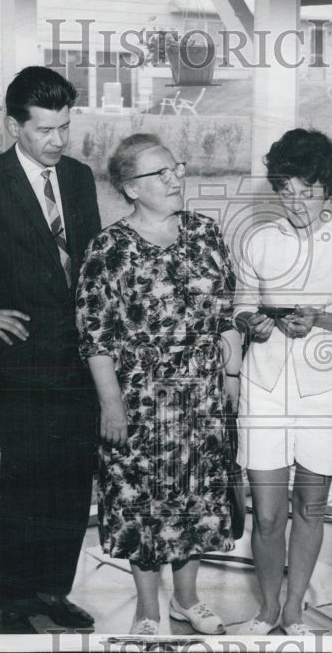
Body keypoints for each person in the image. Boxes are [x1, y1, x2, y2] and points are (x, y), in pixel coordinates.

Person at [76, 133, 242, 635]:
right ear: (130, 188)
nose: (175, 179)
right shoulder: (108, 249)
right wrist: (111, 404)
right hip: (139, 399)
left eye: (176, 168)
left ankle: (187, 600)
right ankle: (149, 611)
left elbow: (226, 314)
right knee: (140, 502)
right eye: (159, 174)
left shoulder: (206, 233)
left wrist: (231, 374)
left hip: (202, 396)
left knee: (196, 499)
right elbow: (95, 336)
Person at [0, 67, 100, 633]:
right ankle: (6, 601)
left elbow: (90, 265)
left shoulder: (81, 177)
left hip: (80, 359)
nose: (58, 141)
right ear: (14, 125)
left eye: (64, 127)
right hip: (19, 362)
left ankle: (51, 591)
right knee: (27, 479)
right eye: (45, 130)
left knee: (71, 478)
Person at [233, 129, 332, 636]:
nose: (296, 201)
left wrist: (319, 321)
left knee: (311, 506)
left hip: (327, 387)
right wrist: (250, 322)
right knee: (269, 514)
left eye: (308, 190)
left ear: (328, 188)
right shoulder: (257, 240)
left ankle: (295, 605)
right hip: (266, 386)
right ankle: (267, 607)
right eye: (287, 189)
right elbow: (241, 307)